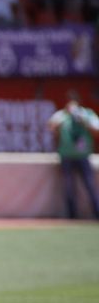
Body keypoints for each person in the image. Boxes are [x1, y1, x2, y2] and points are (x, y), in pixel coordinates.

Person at [47, 91, 99, 219]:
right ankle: (72, 216)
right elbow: (51, 127)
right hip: (67, 156)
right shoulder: (63, 114)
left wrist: (83, 120)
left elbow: (96, 129)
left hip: (82, 156)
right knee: (68, 187)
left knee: (90, 185)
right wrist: (65, 115)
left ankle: (97, 213)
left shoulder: (86, 114)